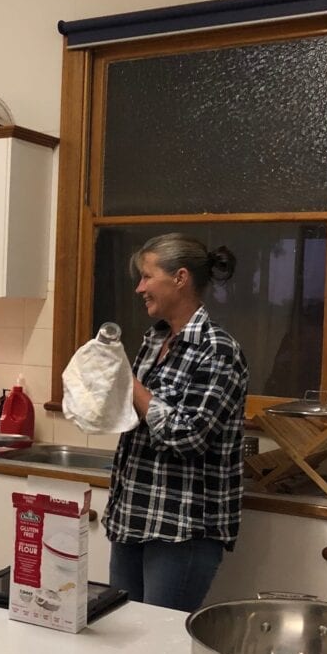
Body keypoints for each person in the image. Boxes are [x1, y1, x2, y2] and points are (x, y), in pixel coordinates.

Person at [104, 233, 248, 613]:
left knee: (157, 651)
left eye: (148, 277)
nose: (139, 288)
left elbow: (188, 436)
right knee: (120, 637)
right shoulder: (154, 342)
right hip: (133, 513)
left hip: (181, 529)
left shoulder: (218, 350)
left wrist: (129, 382)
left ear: (180, 278)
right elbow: (136, 416)